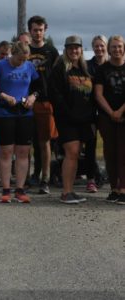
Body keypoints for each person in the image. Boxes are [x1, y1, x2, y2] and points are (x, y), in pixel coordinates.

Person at [0, 41, 39, 204]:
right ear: (13, 54)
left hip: (24, 112)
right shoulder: (0, 66)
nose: (21, 63)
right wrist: (3, 95)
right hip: (4, 112)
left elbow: (38, 86)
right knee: (6, 151)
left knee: (23, 151)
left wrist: (33, 97)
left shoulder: (29, 67)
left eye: (25, 59)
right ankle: (5, 189)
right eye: (19, 59)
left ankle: (20, 189)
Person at [50, 35, 93, 204]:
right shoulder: (60, 68)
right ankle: (66, 192)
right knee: (72, 153)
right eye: (70, 48)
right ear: (66, 50)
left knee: (75, 155)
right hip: (67, 119)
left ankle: (70, 190)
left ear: (81, 49)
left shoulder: (85, 69)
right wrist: (68, 113)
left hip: (84, 119)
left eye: (77, 47)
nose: (74, 50)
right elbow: (55, 95)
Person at [26, 15, 59, 194]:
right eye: (34, 30)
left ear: (45, 30)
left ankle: (45, 178)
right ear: (30, 31)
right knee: (27, 143)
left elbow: (56, 78)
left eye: (40, 29)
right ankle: (31, 175)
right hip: (26, 102)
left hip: (45, 101)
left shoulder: (51, 51)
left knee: (44, 142)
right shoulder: (25, 50)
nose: (37, 33)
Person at [94, 35, 125, 204]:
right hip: (106, 118)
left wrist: (120, 111)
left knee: (123, 153)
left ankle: (123, 188)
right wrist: (111, 112)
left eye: (119, 46)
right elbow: (98, 94)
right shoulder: (103, 69)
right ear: (109, 49)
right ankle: (114, 188)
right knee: (110, 153)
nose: (117, 50)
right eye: (113, 47)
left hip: (124, 116)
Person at [84, 35, 109, 193]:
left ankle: (111, 175)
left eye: (102, 46)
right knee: (90, 146)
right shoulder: (87, 66)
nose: (99, 49)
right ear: (93, 47)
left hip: (109, 111)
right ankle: (91, 179)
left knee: (112, 145)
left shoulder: (114, 64)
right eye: (96, 46)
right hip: (91, 111)